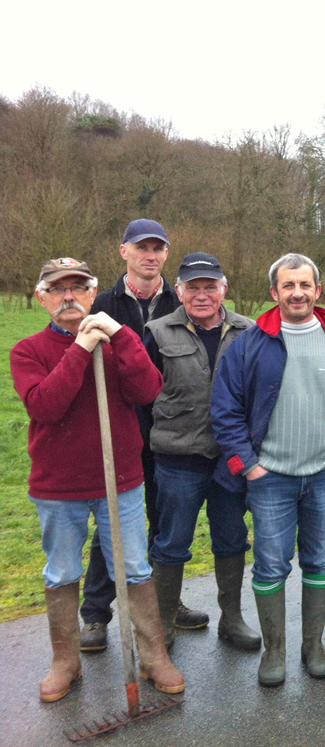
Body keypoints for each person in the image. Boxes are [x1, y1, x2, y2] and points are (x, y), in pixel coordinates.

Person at [11, 257, 183, 701]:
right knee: (62, 570)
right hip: (58, 487)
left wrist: (121, 337)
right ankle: (65, 661)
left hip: (120, 480)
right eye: (57, 289)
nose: (68, 296)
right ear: (42, 297)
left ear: (92, 293)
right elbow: (46, 406)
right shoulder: (28, 351)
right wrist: (81, 348)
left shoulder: (118, 342)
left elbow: (148, 391)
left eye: (78, 288)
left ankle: (153, 656)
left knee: (136, 568)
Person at [212, 253, 325, 687]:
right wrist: (247, 466)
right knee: (270, 565)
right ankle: (275, 651)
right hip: (270, 478)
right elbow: (225, 410)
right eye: (288, 285)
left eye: (305, 285)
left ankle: (313, 646)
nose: (298, 293)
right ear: (275, 292)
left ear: (317, 290)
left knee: (321, 559)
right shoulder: (249, 344)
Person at [81, 219, 209, 651]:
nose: (149, 255)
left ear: (166, 255)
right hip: (120, 430)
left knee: (162, 521)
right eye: (141, 247)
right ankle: (96, 615)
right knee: (112, 523)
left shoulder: (181, 299)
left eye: (158, 248)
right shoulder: (101, 304)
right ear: (124, 252)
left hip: (171, 432)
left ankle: (162, 606)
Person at [144, 253, 259, 651]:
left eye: (210, 287)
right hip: (178, 459)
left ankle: (232, 619)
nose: (202, 295)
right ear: (179, 291)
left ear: (224, 289)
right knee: (171, 541)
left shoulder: (249, 331)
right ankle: (164, 626)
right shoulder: (156, 332)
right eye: (193, 287)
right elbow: (143, 397)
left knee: (231, 538)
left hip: (231, 459)